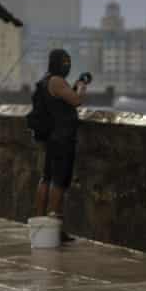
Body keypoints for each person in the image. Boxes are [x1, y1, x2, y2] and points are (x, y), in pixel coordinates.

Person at [33, 49, 86, 243]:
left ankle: (40, 225)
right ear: (56, 63)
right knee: (58, 182)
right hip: (62, 139)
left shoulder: (46, 81)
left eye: (69, 61)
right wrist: (81, 85)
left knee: (46, 179)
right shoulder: (56, 81)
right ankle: (53, 227)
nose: (67, 65)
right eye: (65, 61)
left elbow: (61, 100)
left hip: (51, 138)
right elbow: (76, 100)